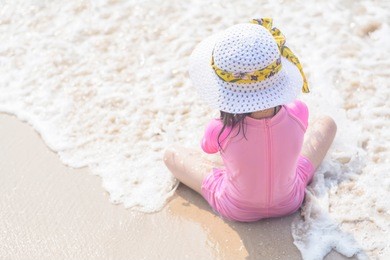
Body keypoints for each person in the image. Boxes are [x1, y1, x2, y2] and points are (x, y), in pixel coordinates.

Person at [163, 18, 337, 222]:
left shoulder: (220, 129)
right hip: (290, 200)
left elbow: (207, 148)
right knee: (327, 123)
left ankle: (241, 171)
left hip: (236, 208)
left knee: (171, 154)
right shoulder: (298, 111)